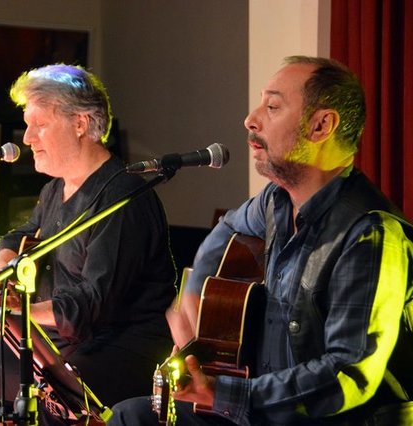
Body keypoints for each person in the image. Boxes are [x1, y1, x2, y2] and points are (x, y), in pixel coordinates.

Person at [109, 56, 413, 425]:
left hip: (329, 420)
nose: (250, 120)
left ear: (321, 126)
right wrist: (193, 291)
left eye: (272, 107)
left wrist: (222, 394)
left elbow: (347, 373)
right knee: (130, 416)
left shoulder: (371, 234)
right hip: (264, 408)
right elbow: (227, 228)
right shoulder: (275, 201)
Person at [0, 64, 177, 425]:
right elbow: (21, 235)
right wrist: (1, 266)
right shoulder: (55, 188)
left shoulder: (122, 195)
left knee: (48, 392)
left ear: (80, 123)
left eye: (39, 124)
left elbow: (90, 305)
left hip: (118, 349)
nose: (27, 138)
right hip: (63, 343)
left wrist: (13, 310)